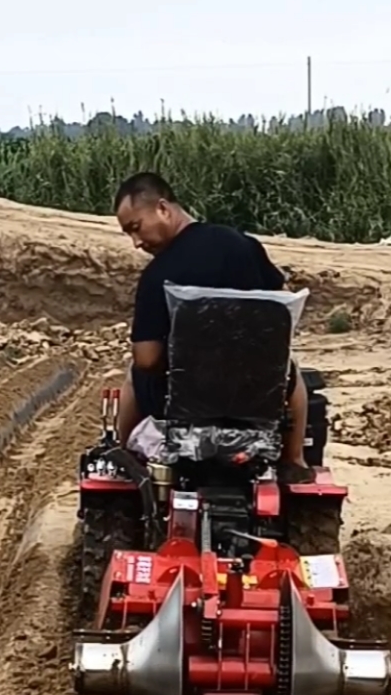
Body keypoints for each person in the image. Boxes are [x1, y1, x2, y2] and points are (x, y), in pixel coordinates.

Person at [113, 171, 313, 482]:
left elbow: (147, 360)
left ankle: (126, 460)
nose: (137, 242)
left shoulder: (158, 274)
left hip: (181, 398)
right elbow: (280, 312)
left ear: (162, 208)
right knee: (291, 372)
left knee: (132, 374)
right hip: (254, 394)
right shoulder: (244, 246)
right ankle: (295, 460)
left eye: (135, 228)